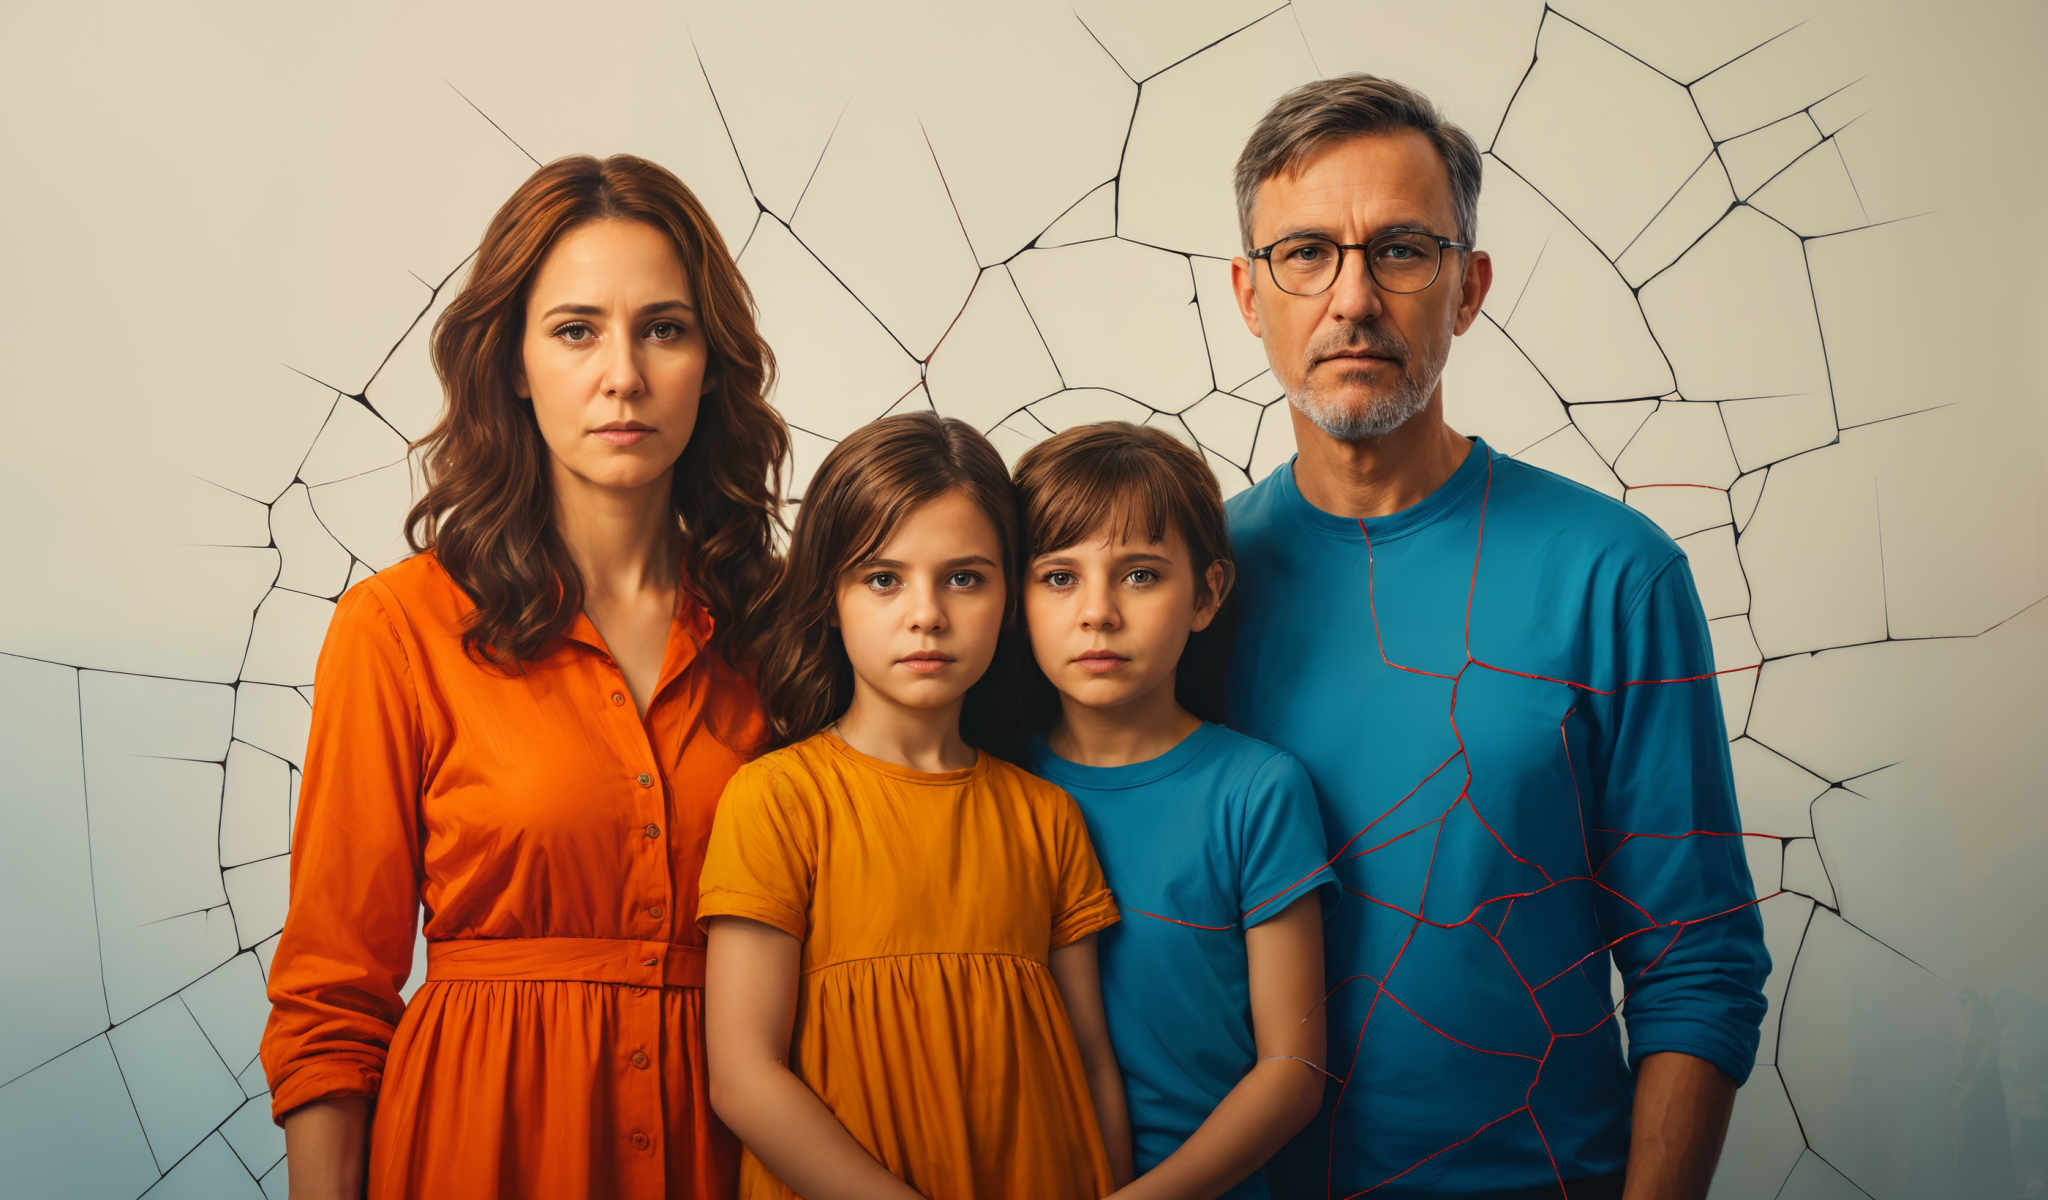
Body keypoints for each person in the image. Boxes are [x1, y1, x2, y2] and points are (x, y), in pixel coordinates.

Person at [1201, 76, 1770, 1199]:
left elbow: (1695, 963)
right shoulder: (1182, 598)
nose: (1351, 299)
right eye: (1305, 253)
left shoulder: (1613, 574)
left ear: (1467, 289)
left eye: (1402, 251)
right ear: (1245, 293)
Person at [259, 153, 790, 1199]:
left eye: (664, 329)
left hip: (734, 1158)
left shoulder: (785, 632)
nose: (623, 375)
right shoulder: (398, 628)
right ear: (511, 363)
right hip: (474, 1149)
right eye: (576, 328)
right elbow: (331, 1002)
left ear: (712, 364)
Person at [698, 412, 1132, 1199]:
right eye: (883, 578)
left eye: (963, 577)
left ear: (1010, 594)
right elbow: (743, 1077)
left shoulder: (1046, 816)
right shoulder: (777, 800)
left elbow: (1091, 1060)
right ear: (830, 597)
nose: (926, 613)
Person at [1012, 421, 1335, 1199]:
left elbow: (1292, 1070)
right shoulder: (993, 779)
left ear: (1207, 594)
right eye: (1059, 577)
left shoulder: (1257, 790)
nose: (1098, 612)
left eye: (1141, 575)